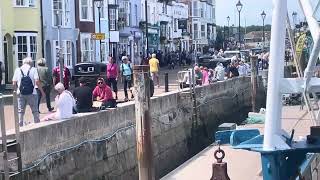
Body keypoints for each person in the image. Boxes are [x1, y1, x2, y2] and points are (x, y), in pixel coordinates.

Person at [12, 57, 45, 126]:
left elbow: (14, 83)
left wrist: (15, 91)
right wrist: (42, 92)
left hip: (20, 93)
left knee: (20, 111)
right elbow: (37, 82)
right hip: (32, 93)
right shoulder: (34, 69)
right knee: (35, 110)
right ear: (30, 63)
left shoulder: (17, 70)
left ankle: (20, 126)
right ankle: (37, 125)